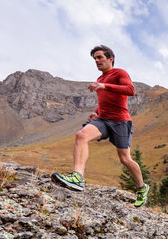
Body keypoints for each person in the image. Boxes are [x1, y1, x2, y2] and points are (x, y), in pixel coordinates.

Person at [52, 45, 150, 207]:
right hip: (103, 119)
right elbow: (106, 100)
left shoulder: (120, 73)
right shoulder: (99, 79)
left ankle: (142, 187)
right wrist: (96, 112)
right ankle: (77, 177)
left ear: (110, 58)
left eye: (100, 57)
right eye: (95, 59)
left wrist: (105, 86)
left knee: (125, 159)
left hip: (120, 121)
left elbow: (130, 90)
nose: (97, 61)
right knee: (81, 135)